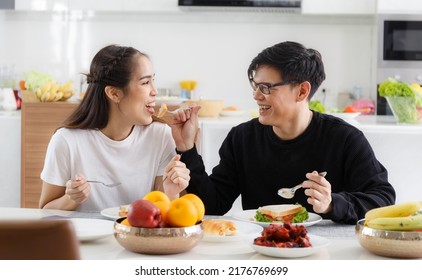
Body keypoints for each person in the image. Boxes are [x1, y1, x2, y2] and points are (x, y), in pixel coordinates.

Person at [170, 41, 395, 224]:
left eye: (266, 88)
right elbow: (213, 206)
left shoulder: (345, 139)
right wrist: (187, 149)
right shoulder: (242, 139)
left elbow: (383, 200)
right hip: (261, 250)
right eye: (255, 86)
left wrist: (332, 203)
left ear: (302, 91)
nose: (256, 96)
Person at [39, 45, 190, 212]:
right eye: (146, 82)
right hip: (85, 238)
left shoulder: (160, 136)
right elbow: (46, 211)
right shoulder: (66, 140)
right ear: (114, 93)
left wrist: (171, 193)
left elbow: (163, 215)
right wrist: (71, 199)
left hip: (138, 238)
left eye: (153, 80)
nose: (154, 91)